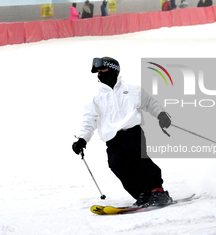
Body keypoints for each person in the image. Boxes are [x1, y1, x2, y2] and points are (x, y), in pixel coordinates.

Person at [72, 57, 173, 207]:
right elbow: (89, 120)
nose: (100, 75)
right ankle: (142, 193)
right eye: (98, 72)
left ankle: (157, 191)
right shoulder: (96, 97)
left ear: (113, 70)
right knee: (117, 165)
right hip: (113, 139)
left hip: (133, 132)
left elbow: (150, 102)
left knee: (139, 161)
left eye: (103, 70)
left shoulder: (131, 89)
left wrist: (161, 115)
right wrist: (82, 139)